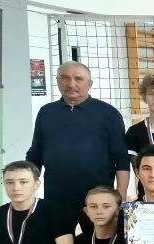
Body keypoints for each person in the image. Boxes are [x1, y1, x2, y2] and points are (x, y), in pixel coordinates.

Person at [26, 62, 129, 226]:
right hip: (56, 197)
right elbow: (35, 154)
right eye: (65, 78)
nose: (71, 84)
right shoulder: (46, 112)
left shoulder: (109, 114)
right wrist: (26, 189)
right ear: (57, 81)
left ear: (90, 84)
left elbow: (121, 158)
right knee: (60, 241)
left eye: (78, 79)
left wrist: (120, 197)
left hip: (97, 200)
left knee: (96, 241)